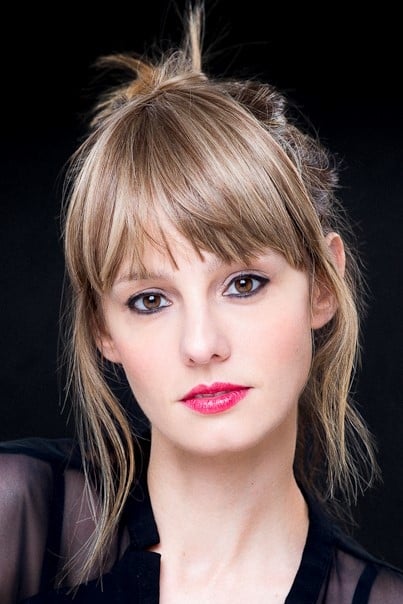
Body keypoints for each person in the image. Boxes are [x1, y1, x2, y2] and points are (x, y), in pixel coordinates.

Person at [0, 2, 402, 602]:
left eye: (243, 284)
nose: (201, 345)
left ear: (322, 285)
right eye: (150, 299)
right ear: (102, 328)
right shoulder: (16, 513)